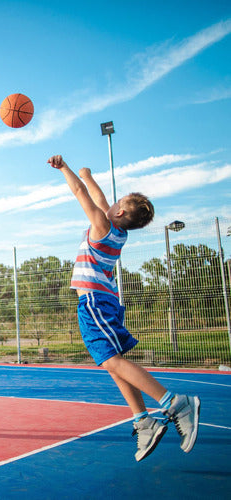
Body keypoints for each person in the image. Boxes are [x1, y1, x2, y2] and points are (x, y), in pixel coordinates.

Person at [47, 155, 200, 461]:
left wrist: (66, 169)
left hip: (93, 301)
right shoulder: (118, 231)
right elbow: (99, 197)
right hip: (106, 301)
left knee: (112, 362)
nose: (111, 203)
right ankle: (143, 421)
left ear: (118, 211)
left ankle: (175, 402)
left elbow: (81, 195)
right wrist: (89, 175)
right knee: (111, 361)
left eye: (118, 202)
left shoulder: (102, 225)